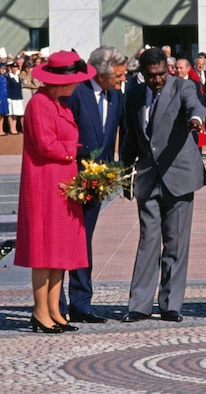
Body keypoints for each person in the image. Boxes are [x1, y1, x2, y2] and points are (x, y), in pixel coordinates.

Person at [119, 47, 206, 322]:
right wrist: (125, 175)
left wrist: (196, 119)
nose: (157, 80)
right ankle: (139, 305)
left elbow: (195, 106)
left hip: (179, 175)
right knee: (148, 240)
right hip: (147, 176)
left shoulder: (183, 86)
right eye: (151, 76)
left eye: (160, 75)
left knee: (176, 242)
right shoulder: (134, 95)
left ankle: (171, 304)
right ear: (143, 74)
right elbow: (130, 136)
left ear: (167, 70)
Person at [13, 50, 95, 333]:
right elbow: (45, 144)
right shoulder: (40, 104)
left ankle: (53, 309)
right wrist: (72, 151)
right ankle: (40, 310)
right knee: (44, 249)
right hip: (45, 183)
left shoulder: (59, 103)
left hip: (62, 183)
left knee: (60, 249)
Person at [60, 45, 127, 325]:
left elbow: (118, 134)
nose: (123, 79)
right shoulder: (77, 93)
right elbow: (63, 131)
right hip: (70, 179)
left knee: (83, 242)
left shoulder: (116, 97)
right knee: (64, 242)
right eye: (119, 75)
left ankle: (81, 304)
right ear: (101, 75)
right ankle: (56, 302)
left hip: (96, 183)